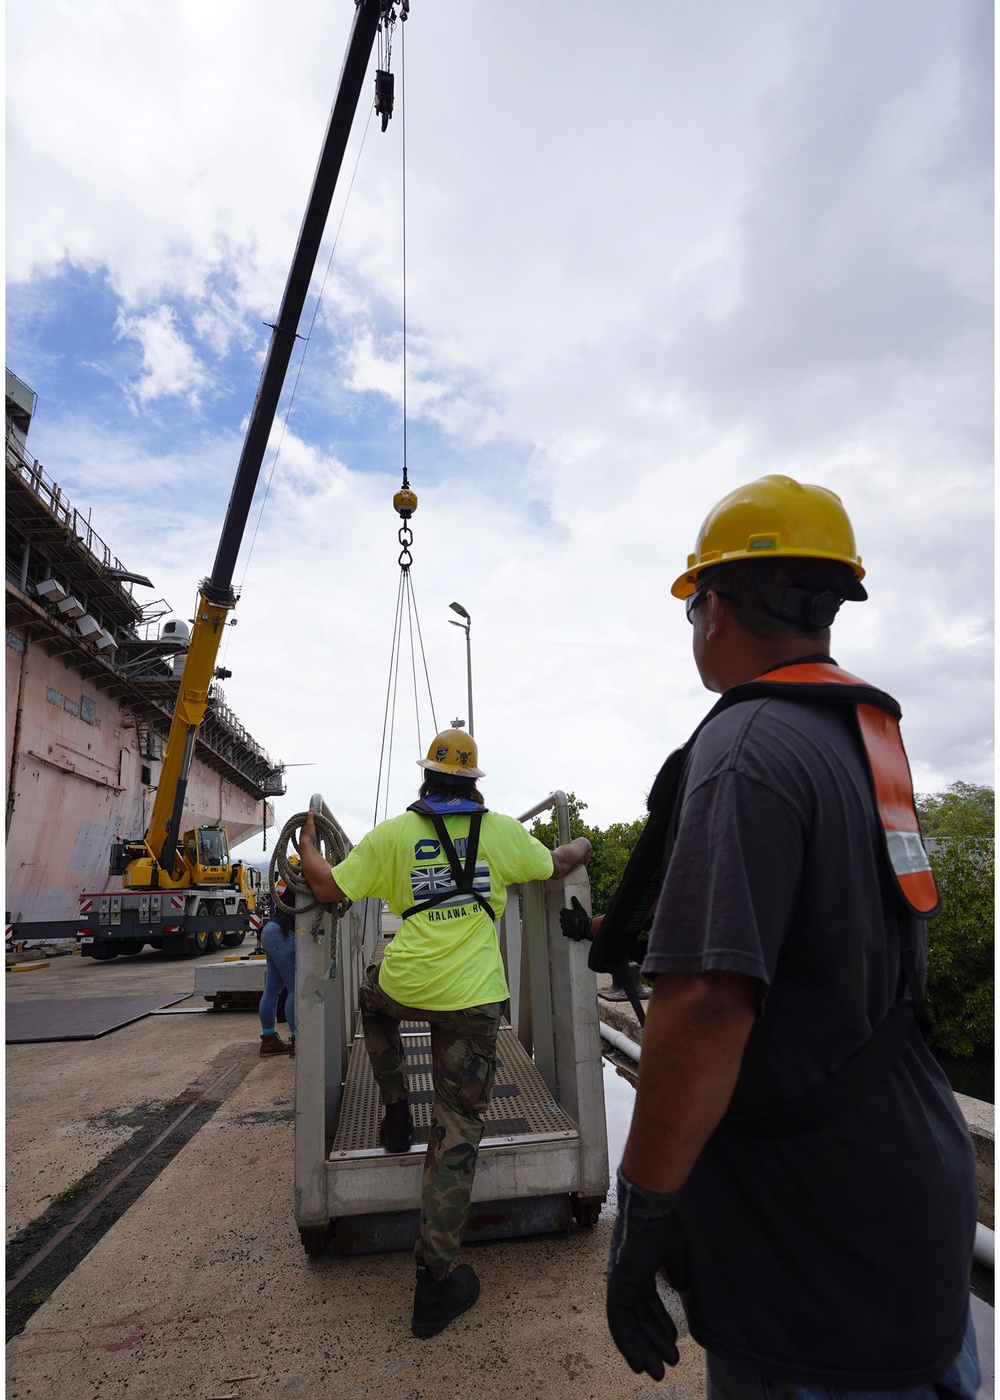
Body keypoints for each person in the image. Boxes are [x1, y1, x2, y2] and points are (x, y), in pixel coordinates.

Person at [602, 476, 979, 1396]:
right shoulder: (864, 737)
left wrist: (643, 1213)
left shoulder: (745, 747)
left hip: (814, 1244)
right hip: (909, 1200)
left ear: (715, 608)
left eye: (693, 605)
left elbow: (704, 1006)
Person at [299, 727, 591, 1340]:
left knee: (370, 1002)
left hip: (406, 987)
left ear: (427, 777)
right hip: (475, 1000)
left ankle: (397, 1107)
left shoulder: (395, 835)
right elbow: (558, 863)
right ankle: (436, 1280)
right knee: (457, 1131)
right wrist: (582, 843)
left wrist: (306, 843)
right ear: (472, 782)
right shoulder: (503, 832)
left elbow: (326, 888)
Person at [258, 855, 298, 1057]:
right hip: (284, 935)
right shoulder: (304, 880)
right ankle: (296, 1040)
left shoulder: (283, 881)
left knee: (272, 989)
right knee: (294, 989)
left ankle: (268, 1039)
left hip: (270, 931)